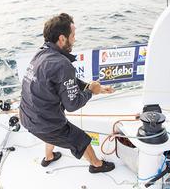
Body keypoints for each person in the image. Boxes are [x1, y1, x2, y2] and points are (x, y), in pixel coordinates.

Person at [19, 13, 115, 173]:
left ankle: (48, 157)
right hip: (43, 123)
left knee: (54, 129)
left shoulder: (41, 53)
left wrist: (89, 87)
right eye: (73, 35)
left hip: (26, 117)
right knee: (80, 139)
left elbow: (61, 81)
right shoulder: (62, 64)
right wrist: (91, 91)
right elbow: (72, 104)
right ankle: (97, 165)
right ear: (62, 39)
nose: (75, 39)